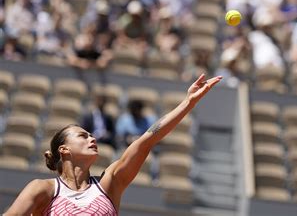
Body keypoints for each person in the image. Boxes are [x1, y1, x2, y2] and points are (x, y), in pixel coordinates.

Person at [5, 74, 222, 215]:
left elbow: (148, 139)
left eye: (91, 135)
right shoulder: (43, 189)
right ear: (64, 149)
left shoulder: (110, 183)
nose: (92, 139)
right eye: (83, 136)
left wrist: (188, 102)